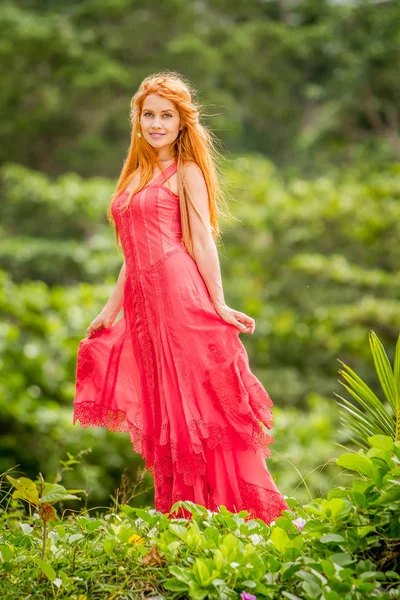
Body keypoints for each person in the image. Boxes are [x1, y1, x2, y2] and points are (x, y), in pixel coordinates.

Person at [73, 70, 289, 524]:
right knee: (166, 409)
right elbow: (131, 254)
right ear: (137, 119)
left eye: (165, 116)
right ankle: (183, 515)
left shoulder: (186, 171)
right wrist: (109, 312)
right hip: (143, 305)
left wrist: (219, 303)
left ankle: (231, 512)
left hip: (178, 293)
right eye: (148, 114)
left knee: (198, 404)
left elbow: (201, 241)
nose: (156, 124)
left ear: (181, 122)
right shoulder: (136, 172)